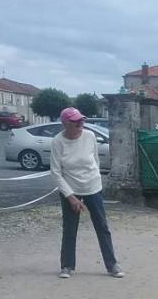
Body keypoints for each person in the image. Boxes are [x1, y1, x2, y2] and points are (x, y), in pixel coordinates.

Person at [50, 107, 124, 279]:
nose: (80, 124)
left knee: (102, 226)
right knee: (70, 228)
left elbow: (95, 161)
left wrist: (93, 180)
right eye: (75, 121)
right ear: (65, 124)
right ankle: (67, 265)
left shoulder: (90, 136)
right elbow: (56, 172)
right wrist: (70, 196)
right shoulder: (58, 141)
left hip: (92, 187)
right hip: (70, 189)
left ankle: (112, 265)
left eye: (81, 120)